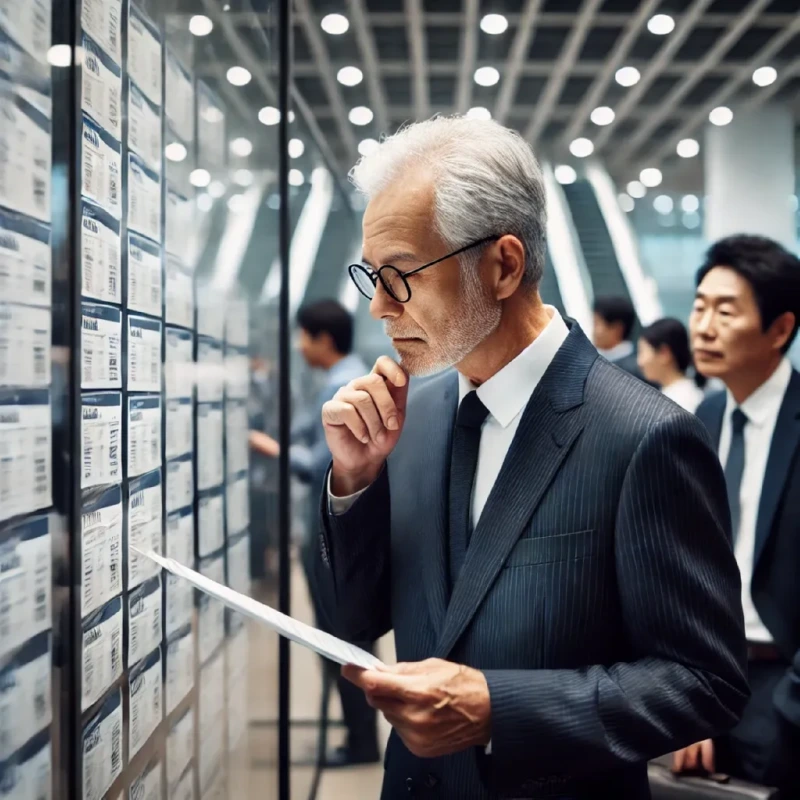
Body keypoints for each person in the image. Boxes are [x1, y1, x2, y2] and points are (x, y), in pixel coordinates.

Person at [313, 116, 749, 800]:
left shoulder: (643, 436)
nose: (377, 306)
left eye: (398, 276)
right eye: (372, 275)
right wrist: (354, 482)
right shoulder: (411, 417)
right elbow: (355, 623)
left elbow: (704, 681)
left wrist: (497, 709)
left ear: (504, 264)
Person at [676, 235, 800, 796]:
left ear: (779, 330)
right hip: (711, 677)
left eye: (726, 312)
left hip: (784, 684)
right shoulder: (705, 413)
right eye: (700, 306)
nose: (703, 326)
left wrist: (788, 710)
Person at [250, 299, 380, 767]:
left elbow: (326, 466)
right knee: (339, 635)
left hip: (335, 538)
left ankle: (362, 742)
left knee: (342, 637)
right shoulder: (337, 381)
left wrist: (266, 447)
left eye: (303, 335)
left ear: (322, 338)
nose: (298, 346)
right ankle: (357, 737)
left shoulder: (346, 385)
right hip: (329, 536)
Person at [637, 317, 705, 412]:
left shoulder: (682, 401)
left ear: (664, 353)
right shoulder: (671, 395)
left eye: (642, 352)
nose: (640, 362)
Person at [592, 295, 645, 379]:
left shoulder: (636, 370)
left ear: (616, 329)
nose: (593, 330)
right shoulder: (593, 360)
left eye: (597, 323)